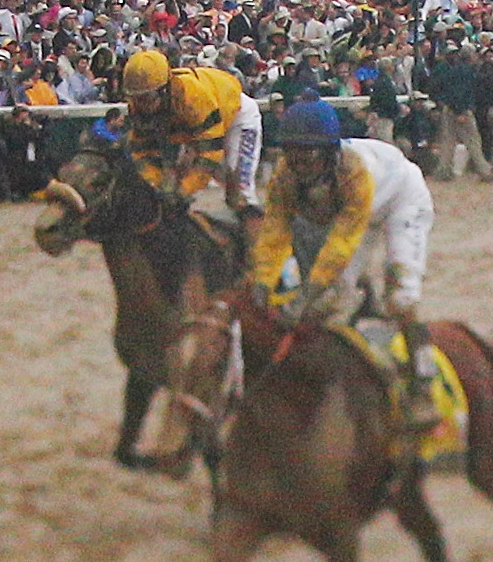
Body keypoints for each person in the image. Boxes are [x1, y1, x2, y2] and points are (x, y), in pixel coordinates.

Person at [249, 97, 440, 445]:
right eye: (291, 152)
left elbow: (341, 243)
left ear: (329, 151)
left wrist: (307, 291)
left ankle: (423, 379)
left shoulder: (354, 172)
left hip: (400, 200)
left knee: (400, 296)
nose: (299, 163)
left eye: (308, 154)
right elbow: (274, 231)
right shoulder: (285, 177)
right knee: (330, 301)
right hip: (355, 214)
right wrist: (262, 282)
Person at [115, 48, 260, 214]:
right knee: (173, 182)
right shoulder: (138, 106)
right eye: (135, 98)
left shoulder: (192, 96)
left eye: (147, 98)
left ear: (164, 90)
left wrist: (184, 191)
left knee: (240, 191)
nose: (142, 105)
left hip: (237, 116)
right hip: (193, 129)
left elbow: (210, 155)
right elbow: (143, 152)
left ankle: (255, 225)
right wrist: (157, 185)